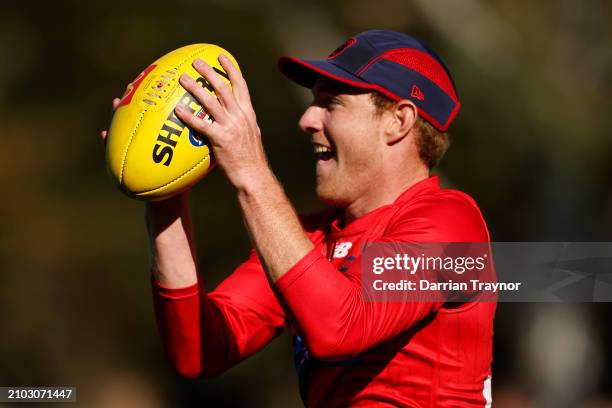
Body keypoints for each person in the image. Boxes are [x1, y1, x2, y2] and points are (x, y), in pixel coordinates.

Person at [105, 29, 496, 407]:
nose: (307, 119)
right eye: (314, 101)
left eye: (331, 102)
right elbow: (199, 351)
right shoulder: (309, 238)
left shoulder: (451, 223)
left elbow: (340, 327)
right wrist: (164, 200)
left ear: (399, 121)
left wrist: (250, 170)